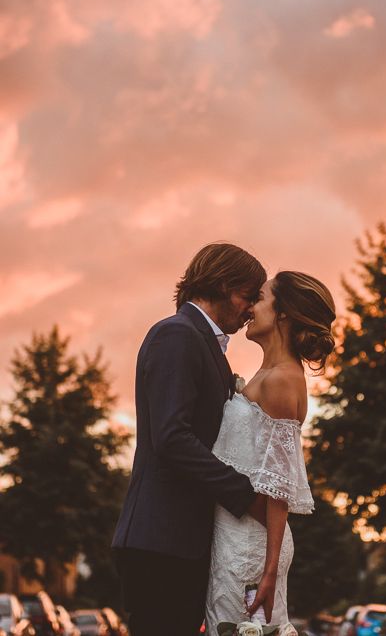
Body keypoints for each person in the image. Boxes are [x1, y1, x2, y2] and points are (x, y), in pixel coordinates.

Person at [112, 243, 267, 636]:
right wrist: (245, 495)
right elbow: (172, 437)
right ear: (221, 284)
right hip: (162, 540)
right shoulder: (177, 335)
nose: (251, 309)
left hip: (180, 542)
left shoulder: (199, 340)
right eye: (248, 296)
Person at [205, 271, 336, 630]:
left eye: (259, 298)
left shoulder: (282, 380)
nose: (249, 308)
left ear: (282, 314)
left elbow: (278, 484)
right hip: (233, 531)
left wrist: (269, 570)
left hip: (252, 544)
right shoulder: (267, 374)